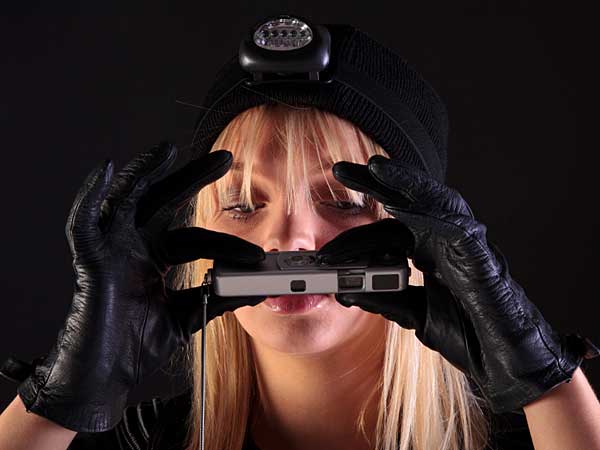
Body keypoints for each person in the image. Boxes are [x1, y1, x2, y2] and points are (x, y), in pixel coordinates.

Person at [1, 15, 600, 450]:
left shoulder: (544, 436)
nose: (288, 242)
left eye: (343, 201)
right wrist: (62, 399)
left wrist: (547, 383)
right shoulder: (140, 442)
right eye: (242, 204)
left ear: (428, 237)